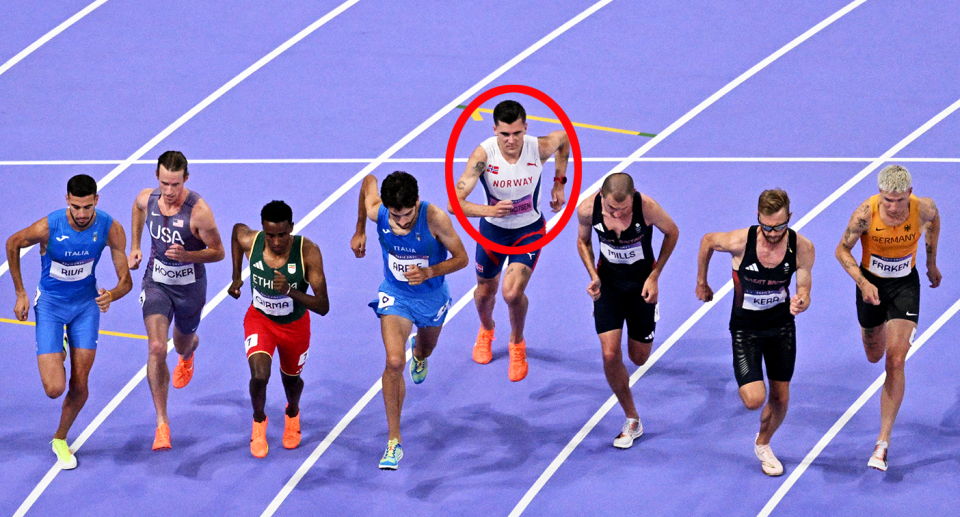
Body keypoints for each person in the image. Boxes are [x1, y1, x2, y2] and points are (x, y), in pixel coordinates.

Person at [6, 174, 132, 469]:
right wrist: (21, 293)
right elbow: (13, 243)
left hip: (86, 306)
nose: (82, 214)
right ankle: (61, 341)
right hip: (50, 305)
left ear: (96, 201)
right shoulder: (49, 226)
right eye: (76, 207)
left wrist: (111, 294)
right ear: (67, 201)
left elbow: (125, 281)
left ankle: (60, 439)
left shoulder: (110, 228)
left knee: (80, 383)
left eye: (87, 207)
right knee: (54, 389)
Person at [351, 171, 468, 469]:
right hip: (396, 294)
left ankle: (419, 352)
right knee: (393, 362)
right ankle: (394, 442)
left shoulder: (435, 218)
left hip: (431, 297)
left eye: (407, 215)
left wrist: (429, 272)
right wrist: (360, 230)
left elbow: (461, 258)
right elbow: (368, 181)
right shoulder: (380, 212)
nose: (402, 222)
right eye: (396, 216)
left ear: (416, 201)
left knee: (425, 349)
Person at [696, 189, 814, 476]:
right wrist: (702, 282)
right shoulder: (740, 241)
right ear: (758, 218)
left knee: (781, 399)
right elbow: (708, 241)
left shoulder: (802, 246)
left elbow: (805, 286)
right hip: (746, 329)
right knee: (753, 400)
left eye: (780, 226)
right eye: (767, 226)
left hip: (782, 327)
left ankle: (763, 443)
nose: (773, 233)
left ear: (790, 217)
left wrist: (802, 300)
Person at [450, 99, 569, 382]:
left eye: (517, 133)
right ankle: (487, 329)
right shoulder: (483, 156)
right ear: (494, 130)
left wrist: (558, 182)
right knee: (484, 293)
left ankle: (517, 342)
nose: (511, 140)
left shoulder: (537, 148)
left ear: (525, 128)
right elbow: (455, 203)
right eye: (505, 134)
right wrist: (490, 210)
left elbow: (564, 138)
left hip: (528, 231)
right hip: (492, 231)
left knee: (512, 293)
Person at [835, 165, 940, 471]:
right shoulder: (865, 214)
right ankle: (872, 329)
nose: (893, 207)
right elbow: (842, 250)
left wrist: (931, 263)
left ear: (910, 193)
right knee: (873, 354)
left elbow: (934, 222)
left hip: (905, 285)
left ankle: (882, 443)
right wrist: (863, 283)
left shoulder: (924, 209)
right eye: (887, 200)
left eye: (899, 200)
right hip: (871, 285)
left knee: (894, 360)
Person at [127, 151, 225, 450]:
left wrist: (189, 255)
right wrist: (135, 246)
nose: (169, 192)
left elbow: (219, 252)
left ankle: (189, 351)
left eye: (175, 185)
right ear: (157, 178)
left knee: (181, 343)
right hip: (156, 282)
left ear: (186, 179)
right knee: (157, 347)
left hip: (190, 288)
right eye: (164, 183)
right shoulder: (148, 198)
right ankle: (162, 424)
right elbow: (136, 207)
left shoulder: (199, 212)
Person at [575, 172, 678, 449]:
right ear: (601, 197)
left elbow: (672, 233)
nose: (617, 213)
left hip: (641, 287)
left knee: (639, 358)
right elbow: (583, 241)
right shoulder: (587, 208)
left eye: (623, 209)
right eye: (611, 208)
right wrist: (592, 275)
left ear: (632, 197)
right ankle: (632, 418)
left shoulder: (648, 207)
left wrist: (654, 276)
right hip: (608, 286)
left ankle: (648, 318)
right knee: (610, 354)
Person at [229, 201, 329, 458]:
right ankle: (259, 421)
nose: (275, 242)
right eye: (270, 235)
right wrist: (236, 276)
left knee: (291, 380)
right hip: (260, 320)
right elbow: (236, 231)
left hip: (295, 326)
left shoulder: (308, 252)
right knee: (259, 376)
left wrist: (290, 291)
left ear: (292, 229)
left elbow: (323, 306)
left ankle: (292, 412)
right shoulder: (252, 241)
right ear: (263, 229)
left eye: (282, 235)